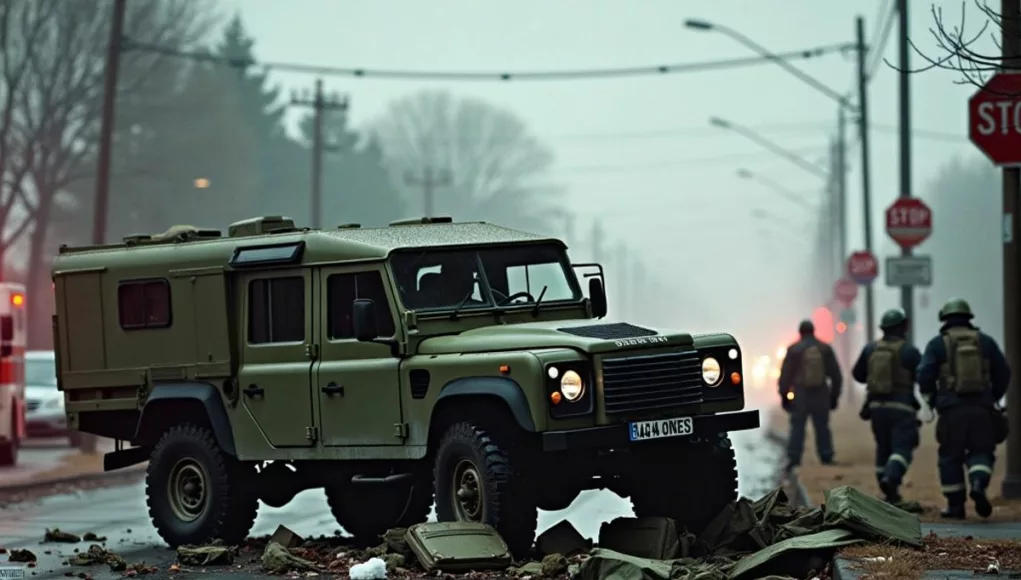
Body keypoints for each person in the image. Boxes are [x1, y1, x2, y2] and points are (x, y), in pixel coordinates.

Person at [917, 297, 1010, 519]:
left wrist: (931, 400)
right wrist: (992, 397)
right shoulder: (986, 342)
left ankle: (956, 506)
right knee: (982, 451)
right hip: (982, 409)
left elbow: (924, 374)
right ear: (968, 318)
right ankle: (978, 483)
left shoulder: (937, 344)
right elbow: (1003, 372)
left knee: (950, 456)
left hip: (951, 412)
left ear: (945, 319)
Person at [852, 308, 922, 504]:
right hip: (902, 408)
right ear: (902, 327)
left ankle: (887, 487)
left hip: (876, 408)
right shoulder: (909, 351)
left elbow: (858, 374)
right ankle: (892, 477)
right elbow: (924, 376)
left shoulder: (870, 349)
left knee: (883, 446)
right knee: (902, 447)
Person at [778, 319, 843, 471]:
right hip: (821, 393)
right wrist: (834, 397)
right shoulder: (825, 349)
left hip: (801, 394)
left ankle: (794, 458)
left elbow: (785, 376)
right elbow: (836, 376)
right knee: (822, 426)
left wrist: (784, 396)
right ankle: (826, 455)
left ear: (800, 333)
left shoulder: (794, 349)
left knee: (797, 427)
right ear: (814, 331)